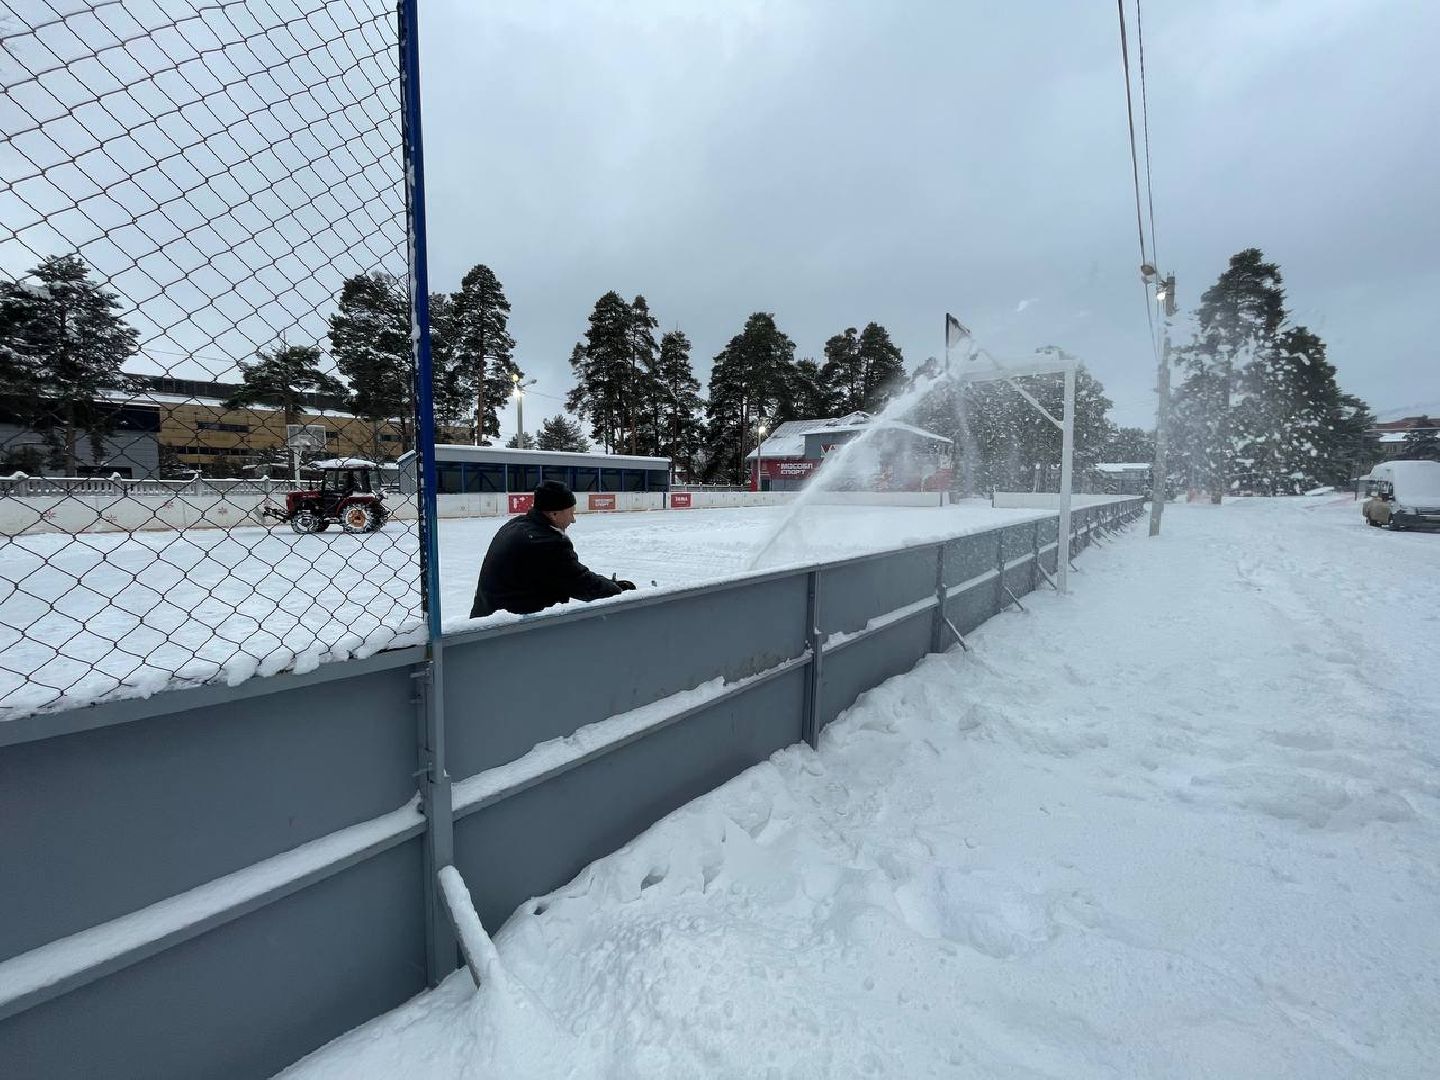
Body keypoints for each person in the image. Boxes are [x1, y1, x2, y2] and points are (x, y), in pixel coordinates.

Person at [469, 479, 636, 618]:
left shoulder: (517, 525)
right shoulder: (545, 542)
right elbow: (581, 583)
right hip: (506, 633)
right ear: (554, 513)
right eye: (570, 513)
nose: (573, 520)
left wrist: (608, 583)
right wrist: (618, 589)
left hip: (488, 620)